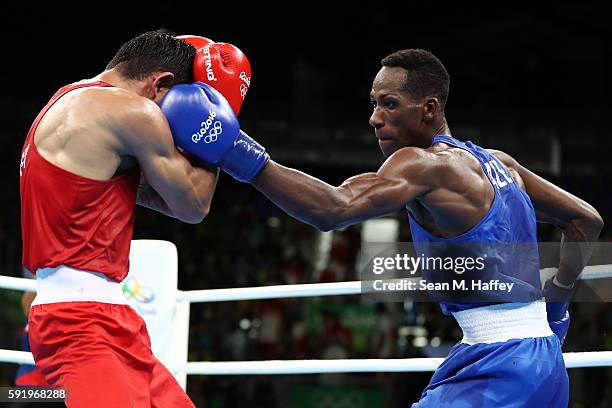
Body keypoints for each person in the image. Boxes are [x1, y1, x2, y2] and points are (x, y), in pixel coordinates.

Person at [167, 49, 604, 406]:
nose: (375, 118)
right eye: (374, 103)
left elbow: (334, 209)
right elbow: (585, 220)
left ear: (429, 109)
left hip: (501, 366)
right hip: (544, 361)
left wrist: (237, 153)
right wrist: (557, 307)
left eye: (389, 104)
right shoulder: (501, 162)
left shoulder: (421, 164)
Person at [19, 29, 249, 407]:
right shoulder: (134, 112)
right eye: (174, 106)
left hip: (104, 319)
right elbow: (193, 205)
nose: (171, 126)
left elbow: (161, 197)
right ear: (160, 85)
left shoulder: (68, 101)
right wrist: (220, 117)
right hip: (80, 327)